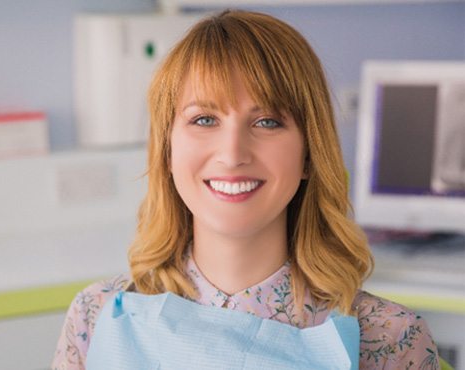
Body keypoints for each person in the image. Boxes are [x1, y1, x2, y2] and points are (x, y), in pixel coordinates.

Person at [52, 10, 439, 370]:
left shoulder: (390, 340)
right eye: (204, 119)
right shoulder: (96, 316)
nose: (232, 153)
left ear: (308, 153)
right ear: (167, 151)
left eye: (267, 122)